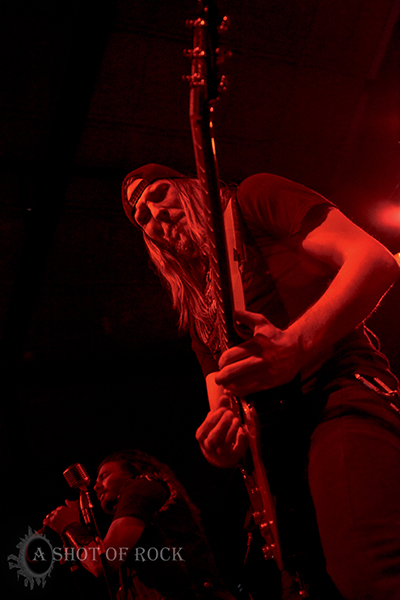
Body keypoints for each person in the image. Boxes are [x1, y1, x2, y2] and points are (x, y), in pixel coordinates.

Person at [121, 163, 400, 600]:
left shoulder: (253, 197)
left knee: (367, 570)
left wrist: (296, 345)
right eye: (143, 218)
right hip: (278, 457)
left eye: (159, 193)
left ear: (191, 186)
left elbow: (374, 260)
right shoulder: (200, 310)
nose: (156, 214)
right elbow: (222, 401)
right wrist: (220, 445)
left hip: (336, 395)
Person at [43, 449, 236, 600]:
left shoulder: (141, 487)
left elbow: (103, 562)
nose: (96, 486)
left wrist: (70, 526)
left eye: (105, 475)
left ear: (132, 472)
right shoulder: (138, 521)